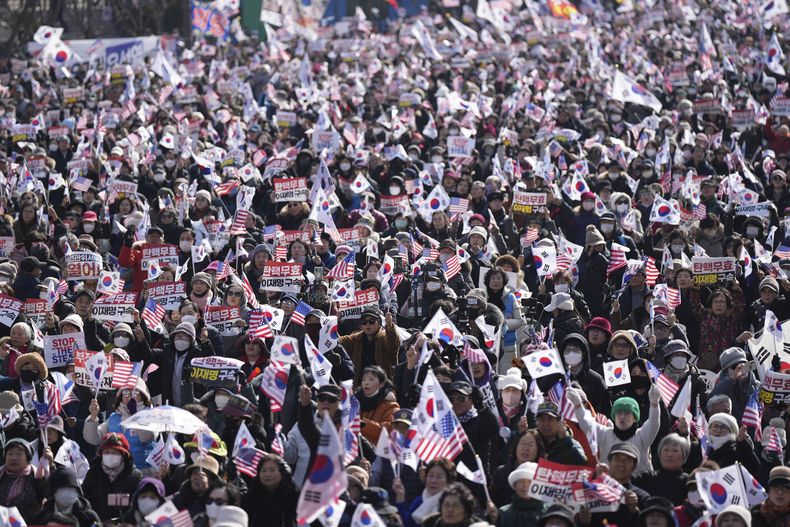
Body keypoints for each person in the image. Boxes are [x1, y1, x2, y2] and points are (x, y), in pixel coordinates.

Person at [570, 385, 661, 475]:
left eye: (627, 413)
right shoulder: (604, 434)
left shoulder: (642, 436)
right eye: (619, 413)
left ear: (635, 418)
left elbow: (654, 423)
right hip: (611, 486)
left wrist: (654, 404)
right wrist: (578, 406)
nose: (622, 416)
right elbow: (586, 424)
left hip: (640, 485)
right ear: (614, 416)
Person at [81, 433, 142, 521]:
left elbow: (138, 505)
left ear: (123, 455)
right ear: (101, 454)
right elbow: (84, 500)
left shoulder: (135, 476)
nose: (110, 456)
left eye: (115, 453)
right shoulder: (93, 474)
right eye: (107, 452)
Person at [339, 307, 400, 386]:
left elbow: (393, 345)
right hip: (360, 385)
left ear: (379, 323)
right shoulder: (355, 338)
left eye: (371, 321)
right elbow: (337, 341)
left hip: (382, 386)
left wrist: (390, 326)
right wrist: (329, 324)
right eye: (364, 322)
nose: (367, 324)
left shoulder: (384, 337)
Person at [394, 458, 455, 527]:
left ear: (448, 481)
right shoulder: (419, 500)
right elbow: (404, 523)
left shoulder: (451, 505)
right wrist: (400, 497)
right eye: (431, 476)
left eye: (439, 477)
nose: (433, 481)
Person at [242, 454, 298, 527]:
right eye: (263, 471)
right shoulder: (250, 498)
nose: (268, 474)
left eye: (272, 470)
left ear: (283, 473)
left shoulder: (293, 496)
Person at [0, 438, 49, 522]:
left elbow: (50, 494)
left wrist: (50, 465)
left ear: (28, 458)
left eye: (19, 454)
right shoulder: (1, 475)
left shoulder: (37, 476)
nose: (14, 458)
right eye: (10, 454)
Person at [34, 467, 101, 527]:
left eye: (71, 488)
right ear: (54, 492)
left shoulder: (89, 517)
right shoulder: (42, 518)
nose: (68, 493)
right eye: (63, 488)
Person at [490, 461, 548, 527]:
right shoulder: (504, 513)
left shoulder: (549, 513)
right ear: (514, 485)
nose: (525, 485)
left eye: (530, 481)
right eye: (521, 481)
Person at [357, 365, 400, 444]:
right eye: (364, 379)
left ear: (381, 384)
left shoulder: (391, 406)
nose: (366, 382)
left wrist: (362, 423)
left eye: (371, 379)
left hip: (378, 451)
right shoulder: (355, 403)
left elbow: (386, 431)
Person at [534, 402, 587, 466]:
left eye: (550, 419)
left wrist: (565, 441)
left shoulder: (571, 443)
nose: (545, 424)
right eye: (542, 420)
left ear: (559, 422)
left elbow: (581, 464)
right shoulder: (532, 441)